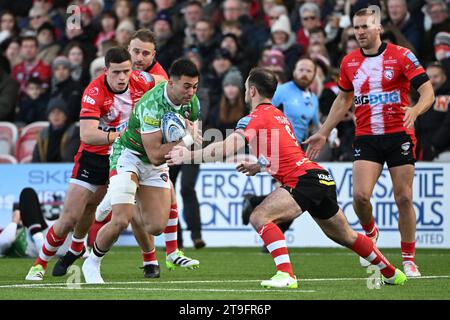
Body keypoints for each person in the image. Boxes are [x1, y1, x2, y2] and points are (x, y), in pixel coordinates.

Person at [166, 67, 407, 288]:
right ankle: (391, 273)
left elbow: (227, 148)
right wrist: (259, 167)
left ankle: (286, 274)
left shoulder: (254, 117)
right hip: (320, 177)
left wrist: (187, 155)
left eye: (246, 88)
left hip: (303, 180)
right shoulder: (280, 117)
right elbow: (283, 154)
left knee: (260, 215)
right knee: (347, 236)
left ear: (251, 90)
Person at [304, 6, 435, 278]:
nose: (360, 32)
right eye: (356, 27)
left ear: (378, 28)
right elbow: (343, 100)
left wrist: (415, 110)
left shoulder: (402, 56)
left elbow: (427, 92)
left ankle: (409, 259)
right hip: (367, 136)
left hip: (399, 133)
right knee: (360, 197)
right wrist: (325, 131)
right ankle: (371, 233)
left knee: (404, 197)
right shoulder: (349, 62)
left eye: (365, 27)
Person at [25, 47, 156, 281]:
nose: (122, 77)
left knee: (126, 211)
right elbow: (87, 134)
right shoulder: (94, 91)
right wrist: (122, 136)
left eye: (126, 71)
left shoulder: (141, 80)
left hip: (123, 157)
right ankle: (40, 264)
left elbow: (166, 83)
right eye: (116, 72)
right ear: (106, 71)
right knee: (70, 217)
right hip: (93, 157)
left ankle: (149, 261)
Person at [82, 58, 201, 284]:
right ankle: (93, 261)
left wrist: (190, 137)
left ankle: (122, 192)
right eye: (187, 86)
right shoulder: (151, 104)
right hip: (129, 155)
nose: (191, 92)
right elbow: (156, 153)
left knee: (156, 227)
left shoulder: (192, 101)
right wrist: (186, 140)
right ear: (172, 83)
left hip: (154, 164)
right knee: (121, 220)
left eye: (195, 86)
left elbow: (194, 127)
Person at [0, 188, 66, 258]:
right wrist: (14, 222)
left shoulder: (51, 225)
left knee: (27, 192)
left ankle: (38, 238)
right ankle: (39, 239)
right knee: (27, 192)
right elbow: (3, 243)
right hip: (37, 239)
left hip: (48, 231)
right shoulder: (15, 233)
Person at [415, 61, 450, 161]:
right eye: (429, 77)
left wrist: (434, 145)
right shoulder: (423, 96)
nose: (432, 80)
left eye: (436, 77)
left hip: (443, 152)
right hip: (423, 150)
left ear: (444, 77)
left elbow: (447, 125)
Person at [31, 96, 80, 163]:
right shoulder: (43, 134)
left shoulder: (74, 132)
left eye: (59, 112)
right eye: (52, 112)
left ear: (65, 116)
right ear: (48, 116)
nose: (56, 115)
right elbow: (36, 159)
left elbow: (69, 157)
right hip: (45, 171)